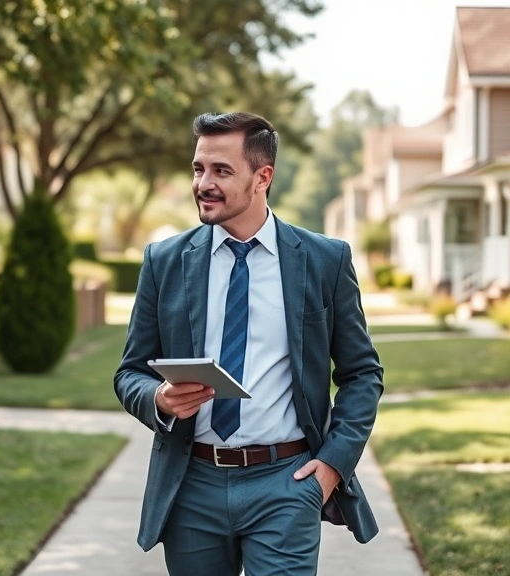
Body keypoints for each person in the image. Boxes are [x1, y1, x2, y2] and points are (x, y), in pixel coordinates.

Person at [114, 112, 384, 575]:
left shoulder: (324, 260)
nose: (204, 183)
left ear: (263, 177)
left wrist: (330, 469)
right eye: (199, 169)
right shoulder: (165, 261)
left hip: (287, 483)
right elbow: (129, 373)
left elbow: (362, 374)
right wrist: (158, 397)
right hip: (191, 485)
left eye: (221, 171)